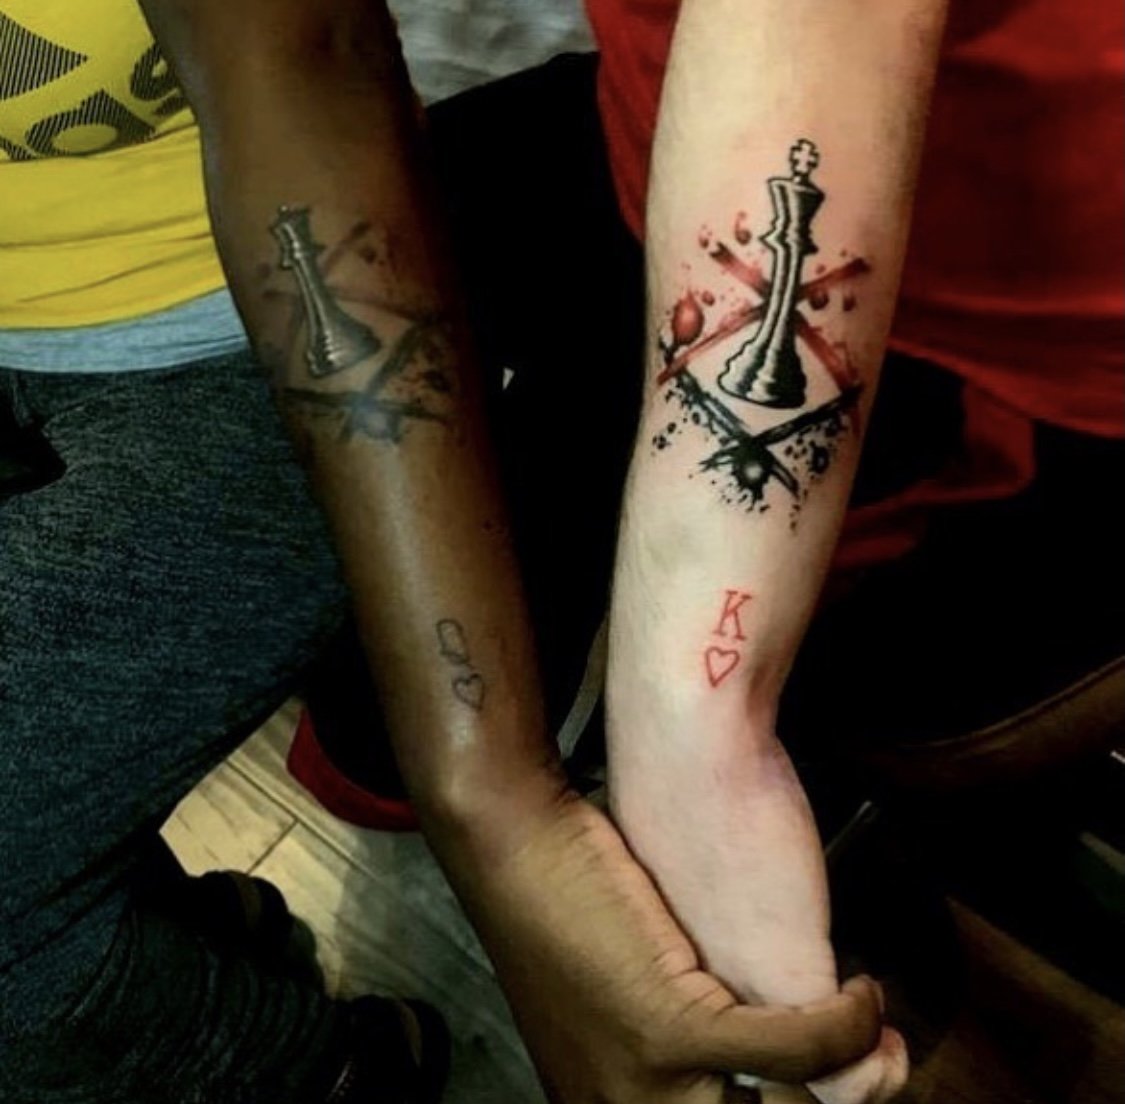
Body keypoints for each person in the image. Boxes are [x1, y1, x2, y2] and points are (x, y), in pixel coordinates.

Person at [0, 2, 891, 1103]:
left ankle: (326, 1071)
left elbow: (306, 69)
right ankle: (183, 941)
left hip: (225, 326)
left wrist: (503, 791)